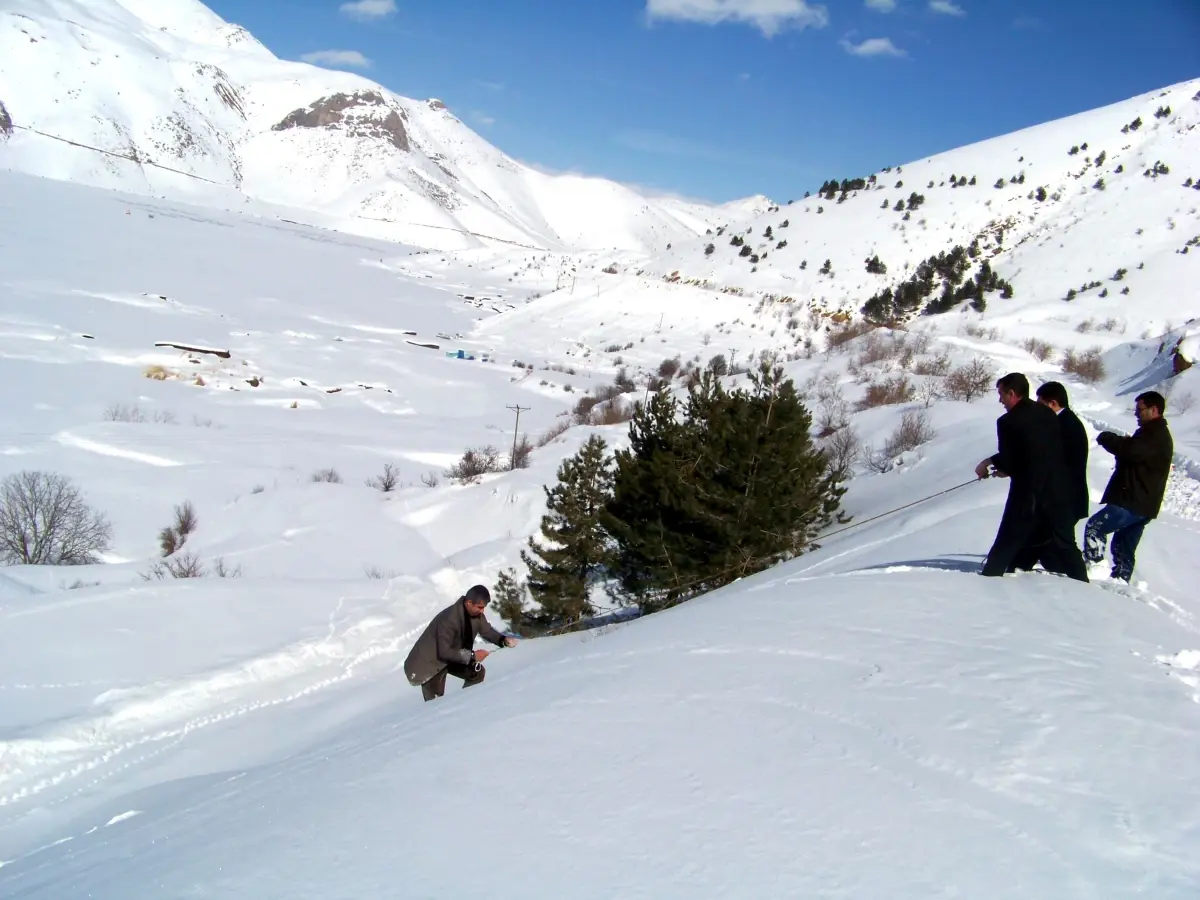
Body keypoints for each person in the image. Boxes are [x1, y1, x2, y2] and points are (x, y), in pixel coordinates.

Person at [973, 372, 1088, 582]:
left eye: (1001, 394)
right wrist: (1005, 466)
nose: (1000, 400)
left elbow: (1011, 459)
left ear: (1012, 393)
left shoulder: (1007, 422)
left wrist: (990, 464)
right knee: (1066, 544)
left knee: (1008, 539)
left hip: (1029, 494)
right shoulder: (1048, 414)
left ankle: (988, 580)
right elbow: (1039, 451)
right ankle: (1083, 583)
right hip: (1057, 492)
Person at [1083, 391, 1174, 583]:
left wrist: (1108, 438)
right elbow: (1135, 454)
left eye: (1140, 410)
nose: (1136, 414)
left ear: (1154, 410)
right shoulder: (1153, 434)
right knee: (1123, 546)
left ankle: (1094, 569)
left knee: (1095, 527)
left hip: (1132, 501)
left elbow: (1130, 452)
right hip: (1143, 504)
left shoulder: (1154, 434)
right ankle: (1121, 584)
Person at [403, 584, 518, 702]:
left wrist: (503, 640)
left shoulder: (476, 615)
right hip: (429, 663)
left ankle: (465, 706)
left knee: (476, 673)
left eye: (484, 607)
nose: (482, 611)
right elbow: (444, 652)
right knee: (435, 705)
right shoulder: (449, 619)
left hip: (451, 655)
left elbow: (486, 630)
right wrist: (473, 656)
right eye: (479, 607)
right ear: (469, 603)